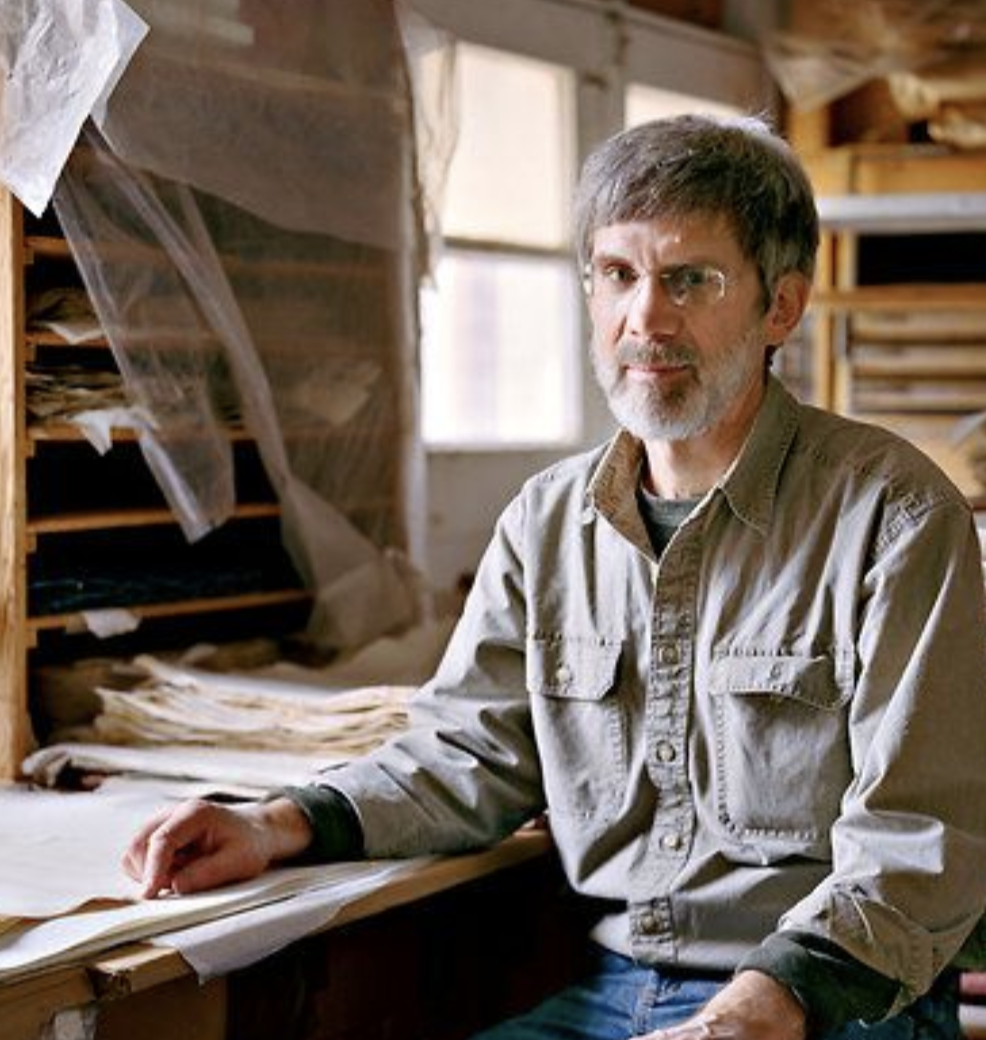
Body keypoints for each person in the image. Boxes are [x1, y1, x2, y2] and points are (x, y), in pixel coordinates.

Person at [124, 113, 986, 1040]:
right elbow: (470, 753)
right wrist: (277, 821)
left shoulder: (895, 517)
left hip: (832, 1006)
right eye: (618, 275)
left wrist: (760, 1008)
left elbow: (918, 844)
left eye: (691, 280)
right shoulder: (546, 521)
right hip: (616, 996)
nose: (644, 320)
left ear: (781, 306)